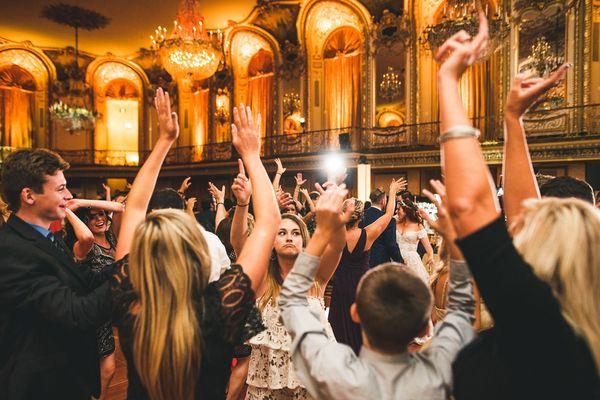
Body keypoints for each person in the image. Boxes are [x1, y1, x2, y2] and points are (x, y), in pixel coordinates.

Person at [432, 14, 600, 400]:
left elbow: (471, 204)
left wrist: (448, 81)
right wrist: (512, 121)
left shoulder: (535, 325)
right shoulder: (574, 328)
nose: (515, 229)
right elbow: (525, 213)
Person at [111, 95, 280, 400]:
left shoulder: (129, 297)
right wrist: (252, 154)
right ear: (196, 253)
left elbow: (134, 209)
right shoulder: (221, 306)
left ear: (144, 256)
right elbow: (268, 221)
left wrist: (164, 141)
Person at [277, 183, 476, 400]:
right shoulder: (435, 371)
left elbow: (293, 302)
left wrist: (324, 231)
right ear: (424, 329)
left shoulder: (335, 372)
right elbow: (462, 312)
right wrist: (455, 241)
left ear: (356, 313)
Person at [0, 149, 115, 399]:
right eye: (60, 189)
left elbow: (84, 282)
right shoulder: (12, 250)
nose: (69, 195)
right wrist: (133, 274)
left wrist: (134, 262)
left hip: (64, 379)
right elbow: (75, 313)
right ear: (29, 195)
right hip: (39, 387)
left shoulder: (47, 237)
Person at [243, 210, 345, 400]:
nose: (289, 237)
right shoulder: (262, 280)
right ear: (272, 242)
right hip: (269, 384)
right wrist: (243, 204)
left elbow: (338, 246)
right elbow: (239, 241)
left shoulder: (315, 278)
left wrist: (336, 219)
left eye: (295, 233)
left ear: (304, 240)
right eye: (281, 233)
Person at [328, 178, 404, 354]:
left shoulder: (334, 236)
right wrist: (392, 192)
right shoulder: (368, 234)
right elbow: (388, 215)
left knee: (340, 327)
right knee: (361, 326)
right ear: (361, 216)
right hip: (361, 286)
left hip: (340, 286)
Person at [63, 199, 125, 399]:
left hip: (107, 311)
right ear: (84, 221)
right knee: (102, 368)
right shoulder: (83, 246)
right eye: (92, 217)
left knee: (108, 369)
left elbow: (119, 208)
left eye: (101, 215)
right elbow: (87, 237)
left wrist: (80, 201)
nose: (99, 219)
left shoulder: (113, 238)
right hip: (91, 310)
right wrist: (68, 210)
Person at [146, 187, 230, 282]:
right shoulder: (209, 238)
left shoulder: (146, 245)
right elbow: (225, 272)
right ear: (182, 211)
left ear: (153, 212)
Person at [361, 186, 405, 268]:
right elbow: (391, 245)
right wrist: (400, 262)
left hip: (362, 261)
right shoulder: (388, 219)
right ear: (383, 201)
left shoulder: (361, 216)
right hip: (380, 262)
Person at [395, 197, 435, 283]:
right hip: (395, 258)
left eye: (399, 209)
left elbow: (429, 249)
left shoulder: (418, 226)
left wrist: (431, 257)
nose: (396, 211)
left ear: (406, 211)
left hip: (411, 261)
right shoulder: (394, 222)